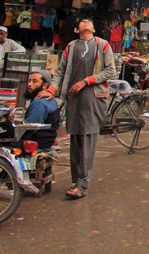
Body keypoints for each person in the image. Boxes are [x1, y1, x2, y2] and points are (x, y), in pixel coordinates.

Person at [38, 19, 115, 200]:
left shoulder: (102, 45)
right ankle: (76, 181)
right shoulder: (71, 47)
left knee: (87, 140)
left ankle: (82, 184)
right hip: (74, 100)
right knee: (75, 140)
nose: (86, 22)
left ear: (93, 28)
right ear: (78, 29)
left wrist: (86, 81)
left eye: (89, 21)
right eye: (82, 21)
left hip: (93, 100)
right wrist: (51, 90)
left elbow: (111, 71)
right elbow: (60, 72)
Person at [24, 70, 60, 151]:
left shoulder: (39, 102)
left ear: (44, 86)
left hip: (38, 144)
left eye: (34, 81)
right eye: (29, 81)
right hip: (46, 142)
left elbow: (30, 128)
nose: (29, 84)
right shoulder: (51, 100)